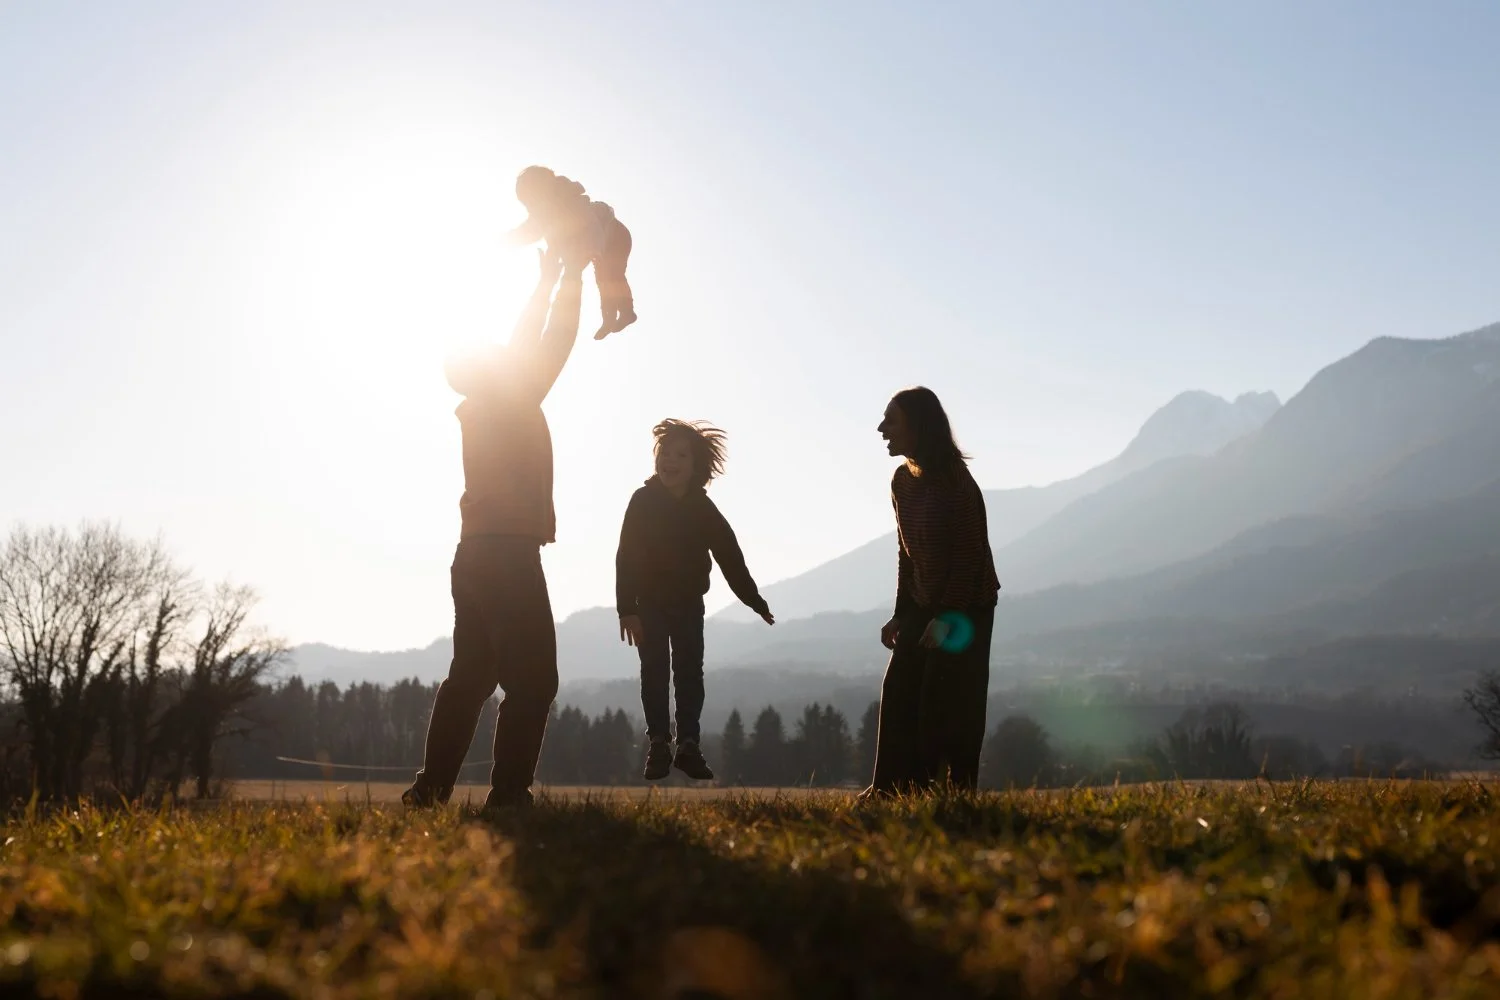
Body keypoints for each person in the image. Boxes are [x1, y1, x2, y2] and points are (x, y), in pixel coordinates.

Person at [402, 247, 587, 811]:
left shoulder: (487, 402)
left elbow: (525, 337)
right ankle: (508, 798)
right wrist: (571, 276)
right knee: (534, 681)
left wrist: (546, 276)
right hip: (507, 556)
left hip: (475, 554)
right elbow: (551, 339)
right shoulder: (511, 398)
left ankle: (429, 793)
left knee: (473, 675)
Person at [615, 419, 775, 781]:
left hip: (688, 604)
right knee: (653, 671)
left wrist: (753, 600)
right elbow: (626, 556)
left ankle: (688, 744)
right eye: (664, 453)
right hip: (649, 605)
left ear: (695, 467)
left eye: (680, 455)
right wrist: (627, 609)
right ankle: (658, 742)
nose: (669, 461)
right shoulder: (642, 502)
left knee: (689, 673)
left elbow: (729, 555)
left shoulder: (703, 509)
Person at [863, 386, 1000, 797]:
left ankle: (949, 794)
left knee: (948, 700)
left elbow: (968, 555)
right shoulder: (903, 481)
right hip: (923, 603)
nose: (882, 428)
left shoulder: (955, 482)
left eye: (892, 420)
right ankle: (887, 789)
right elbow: (908, 553)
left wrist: (947, 618)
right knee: (899, 688)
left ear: (918, 427)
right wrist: (901, 613)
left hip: (967, 606)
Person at [505, 165, 636, 341]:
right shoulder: (544, 214)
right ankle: (610, 319)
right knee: (604, 279)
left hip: (615, 237)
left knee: (611, 277)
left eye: (532, 201)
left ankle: (626, 312)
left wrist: (594, 249)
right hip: (601, 242)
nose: (532, 208)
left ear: (543, 192)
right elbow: (530, 231)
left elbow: (592, 225)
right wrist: (508, 239)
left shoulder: (572, 204)